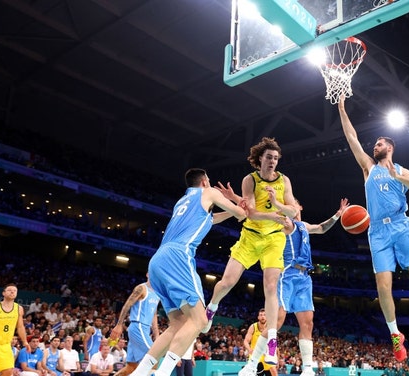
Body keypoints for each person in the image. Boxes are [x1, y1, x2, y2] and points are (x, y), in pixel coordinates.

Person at [338, 96, 409, 361]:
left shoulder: (400, 169)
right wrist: (342, 107)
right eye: (374, 144)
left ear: (390, 147)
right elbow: (352, 137)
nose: (375, 146)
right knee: (382, 285)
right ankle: (395, 334)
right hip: (377, 231)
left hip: (401, 225)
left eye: (379, 143)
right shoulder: (368, 168)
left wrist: (401, 177)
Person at [130, 168, 247, 376]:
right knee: (200, 321)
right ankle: (163, 373)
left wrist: (229, 211)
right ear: (204, 181)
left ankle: (140, 373)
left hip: (157, 261)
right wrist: (238, 202)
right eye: (209, 181)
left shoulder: (182, 202)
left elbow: (210, 219)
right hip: (179, 256)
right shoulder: (209, 192)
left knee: (177, 324)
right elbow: (241, 214)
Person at [203, 137, 299, 371]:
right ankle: (211, 309)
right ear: (259, 159)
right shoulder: (250, 180)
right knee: (226, 282)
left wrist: (278, 204)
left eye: (276, 158)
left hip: (274, 239)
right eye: (269, 157)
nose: (273, 161)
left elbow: (294, 211)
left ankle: (273, 340)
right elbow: (251, 213)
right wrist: (274, 213)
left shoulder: (284, 180)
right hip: (250, 236)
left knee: (270, 286)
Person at [276, 198, 348, 376]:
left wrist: (337, 215)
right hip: (288, 274)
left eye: (292, 202)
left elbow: (322, 228)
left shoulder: (304, 226)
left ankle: (308, 369)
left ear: (299, 206)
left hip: (305, 278)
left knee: (308, 324)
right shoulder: (286, 222)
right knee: (276, 321)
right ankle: (252, 363)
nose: (290, 204)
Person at [109, 276, 160, 376]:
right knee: (154, 357)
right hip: (138, 326)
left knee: (131, 367)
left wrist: (156, 333)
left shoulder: (158, 293)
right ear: (147, 274)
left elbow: (154, 313)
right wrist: (119, 324)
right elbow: (127, 305)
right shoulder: (141, 288)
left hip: (145, 329)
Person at [242, 309, 276, 376]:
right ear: (258, 317)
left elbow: (273, 343)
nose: (263, 317)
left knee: (274, 371)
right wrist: (249, 349)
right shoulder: (253, 327)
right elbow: (246, 341)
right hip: (255, 355)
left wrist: (273, 355)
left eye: (264, 315)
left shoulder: (270, 327)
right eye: (261, 315)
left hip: (266, 355)